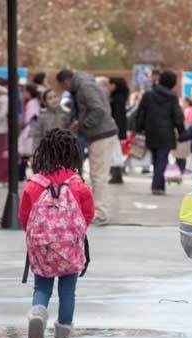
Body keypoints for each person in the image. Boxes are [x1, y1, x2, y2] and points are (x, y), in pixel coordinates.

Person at [19, 128, 94, 338]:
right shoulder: (77, 184)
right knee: (67, 292)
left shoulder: (35, 184)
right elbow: (88, 213)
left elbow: (24, 216)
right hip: (70, 247)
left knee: (42, 287)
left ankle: (38, 315)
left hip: (42, 246)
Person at [56, 69, 118, 226]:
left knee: (98, 176)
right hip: (99, 133)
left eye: (63, 86)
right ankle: (99, 211)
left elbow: (98, 110)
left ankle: (101, 213)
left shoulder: (84, 87)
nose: (65, 90)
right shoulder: (85, 85)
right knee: (98, 175)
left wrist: (82, 124)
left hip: (101, 134)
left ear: (66, 82)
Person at [135, 70, 185, 195]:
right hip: (167, 133)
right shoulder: (172, 97)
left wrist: (138, 128)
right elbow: (177, 115)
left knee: (157, 158)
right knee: (162, 159)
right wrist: (181, 131)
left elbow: (140, 113)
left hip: (151, 132)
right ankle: (157, 186)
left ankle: (158, 185)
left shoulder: (148, 94)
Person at [108, 77, 129, 184]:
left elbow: (119, 115)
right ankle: (116, 174)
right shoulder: (119, 98)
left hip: (115, 128)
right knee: (115, 151)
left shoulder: (117, 99)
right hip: (117, 127)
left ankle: (116, 174)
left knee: (115, 151)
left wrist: (117, 128)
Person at [19, 84, 41, 181]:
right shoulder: (34, 102)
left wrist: (22, 124)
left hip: (29, 130)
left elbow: (29, 117)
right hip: (30, 130)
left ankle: (22, 174)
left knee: (26, 154)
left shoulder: (31, 103)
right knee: (28, 154)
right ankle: (24, 173)